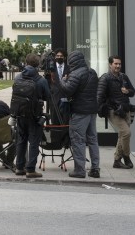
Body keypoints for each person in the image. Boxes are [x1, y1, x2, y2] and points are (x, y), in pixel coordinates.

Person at [57, 50, 100, 178]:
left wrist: (62, 81)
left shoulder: (75, 74)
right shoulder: (92, 72)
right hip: (92, 111)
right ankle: (95, 168)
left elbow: (67, 90)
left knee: (78, 140)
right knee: (93, 140)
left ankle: (80, 170)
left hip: (80, 112)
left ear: (72, 62)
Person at [12, 54, 50, 178]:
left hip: (20, 114)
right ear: (38, 65)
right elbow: (47, 96)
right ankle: (30, 170)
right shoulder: (41, 80)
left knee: (21, 141)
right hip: (35, 115)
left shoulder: (18, 78)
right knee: (34, 142)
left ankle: (19, 167)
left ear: (25, 62)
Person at [97, 56, 135, 169]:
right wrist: (102, 110)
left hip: (125, 109)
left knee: (122, 135)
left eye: (119, 64)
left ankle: (117, 160)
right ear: (110, 65)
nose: (118, 66)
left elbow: (133, 92)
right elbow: (99, 96)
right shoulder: (105, 78)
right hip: (113, 110)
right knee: (126, 133)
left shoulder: (124, 77)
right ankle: (126, 157)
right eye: (115, 64)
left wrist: (127, 91)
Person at [48, 48, 70, 124]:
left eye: (61, 56)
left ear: (64, 57)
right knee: (55, 121)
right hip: (54, 98)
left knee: (66, 121)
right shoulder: (51, 69)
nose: (59, 57)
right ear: (55, 57)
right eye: (57, 56)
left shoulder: (69, 68)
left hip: (65, 98)